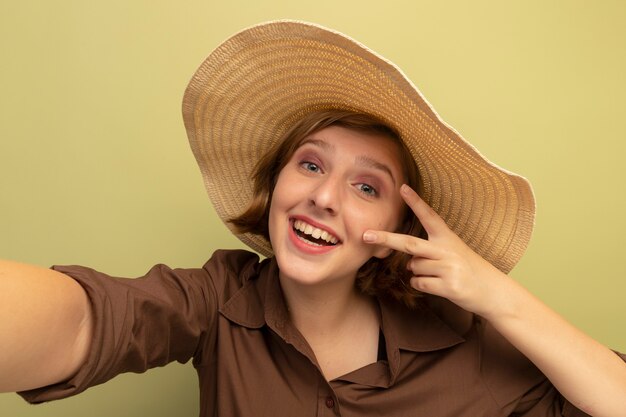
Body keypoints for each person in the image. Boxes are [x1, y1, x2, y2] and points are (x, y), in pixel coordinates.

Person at [1, 20, 625, 417]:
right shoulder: (221, 300)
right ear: (275, 187)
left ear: (394, 236)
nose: (325, 197)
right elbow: (83, 323)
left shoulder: (468, 350)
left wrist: (498, 296)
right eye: (308, 165)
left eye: (365, 186)